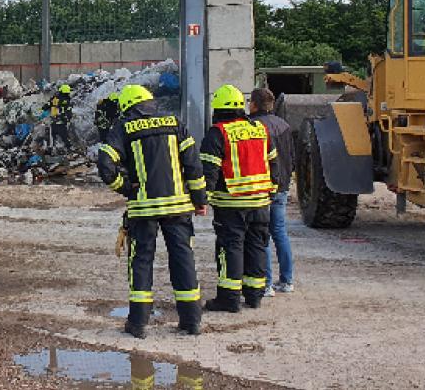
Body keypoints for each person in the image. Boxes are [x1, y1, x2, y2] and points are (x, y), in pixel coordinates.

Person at [98, 84, 208, 338]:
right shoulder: (174, 123)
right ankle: (191, 321)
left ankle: (138, 324)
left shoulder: (123, 127)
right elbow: (193, 163)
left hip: (143, 208)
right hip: (178, 206)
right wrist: (200, 199)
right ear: (149, 102)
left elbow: (105, 165)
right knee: (183, 259)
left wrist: (126, 188)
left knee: (141, 262)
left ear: (127, 107)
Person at [200, 84, 279, 312]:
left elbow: (210, 172)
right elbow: (273, 162)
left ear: (217, 109)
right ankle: (254, 296)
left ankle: (229, 299)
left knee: (230, 248)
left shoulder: (218, 132)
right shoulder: (260, 129)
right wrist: (271, 190)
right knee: (256, 247)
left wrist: (202, 199)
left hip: (231, 204)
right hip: (260, 202)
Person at [249, 88, 295, 296]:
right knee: (280, 232)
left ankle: (266, 283)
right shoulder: (284, 125)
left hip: (263, 186)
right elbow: (291, 157)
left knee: (262, 233)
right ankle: (287, 280)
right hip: (282, 185)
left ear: (254, 104)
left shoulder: (254, 126)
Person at [43, 84, 73, 150]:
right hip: (61, 122)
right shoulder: (65, 100)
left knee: (52, 138)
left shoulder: (55, 98)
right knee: (65, 137)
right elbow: (67, 111)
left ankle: (52, 150)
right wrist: (67, 119)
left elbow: (46, 106)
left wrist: (44, 108)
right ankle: (70, 149)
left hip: (53, 121)